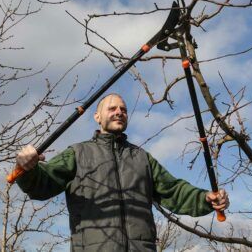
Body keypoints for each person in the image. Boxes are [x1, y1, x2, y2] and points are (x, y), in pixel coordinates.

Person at [16, 93, 229, 252]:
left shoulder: (142, 158)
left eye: (123, 109)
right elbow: (42, 184)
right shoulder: (77, 153)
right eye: (112, 108)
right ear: (97, 117)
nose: (119, 112)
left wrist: (205, 199)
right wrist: (27, 169)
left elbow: (173, 191)